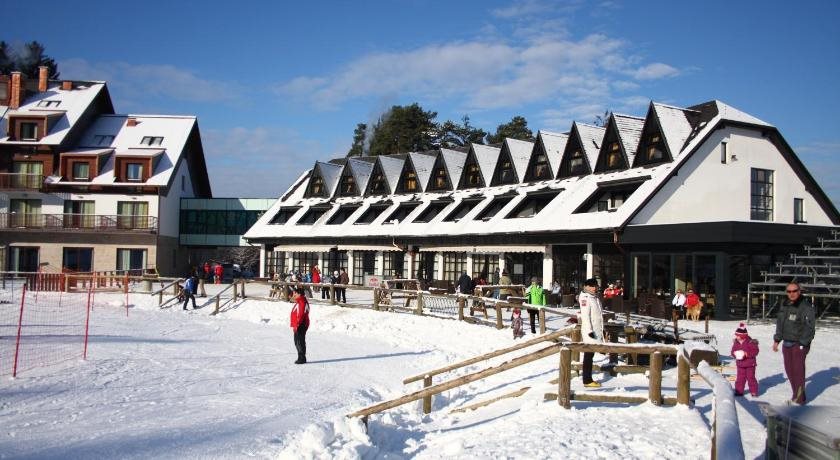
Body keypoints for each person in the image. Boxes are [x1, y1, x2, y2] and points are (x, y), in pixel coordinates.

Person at [772, 282, 816, 405]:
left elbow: (810, 328)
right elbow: (780, 323)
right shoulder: (784, 305)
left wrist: (802, 343)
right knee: (789, 370)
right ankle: (796, 394)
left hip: (799, 344)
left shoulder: (806, 307)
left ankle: (799, 399)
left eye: (794, 291)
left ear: (799, 291)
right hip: (787, 342)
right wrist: (777, 340)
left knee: (798, 371)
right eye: (789, 291)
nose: (791, 294)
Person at [579, 278, 605, 388]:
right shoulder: (585, 298)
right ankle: (587, 380)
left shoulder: (595, 297)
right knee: (588, 355)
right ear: (586, 287)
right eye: (592, 286)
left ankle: (587, 379)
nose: (595, 288)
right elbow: (585, 316)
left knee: (590, 355)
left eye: (595, 286)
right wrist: (590, 332)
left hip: (596, 330)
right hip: (590, 332)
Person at [731, 322, 759, 397]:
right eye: (736, 335)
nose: (737, 337)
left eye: (738, 335)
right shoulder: (736, 343)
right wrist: (735, 354)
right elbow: (732, 351)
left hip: (750, 364)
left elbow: (755, 351)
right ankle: (739, 391)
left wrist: (747, 354)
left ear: (743, 336)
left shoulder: (750, 342)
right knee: (740, 378)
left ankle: (754, 391)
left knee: (751, 378)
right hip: (740, 364)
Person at [290, 287, 311, 364]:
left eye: (295, 293)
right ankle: (301, 357)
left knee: (299, 341)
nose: (293, 294)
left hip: (301, 324)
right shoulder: (300, 301)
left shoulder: (301, 301)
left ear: (299, 294)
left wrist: (297, 324)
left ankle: (301, 358)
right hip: (300, 324)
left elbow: (301, 314)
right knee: (298, 341)